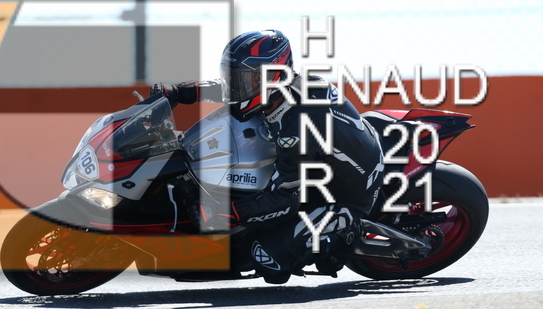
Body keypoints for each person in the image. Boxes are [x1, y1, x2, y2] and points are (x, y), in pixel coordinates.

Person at [151, 29, 384, 284]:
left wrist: (230, 212)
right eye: (235, 77)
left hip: (344, 193)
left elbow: (284, 198)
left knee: (268, 260)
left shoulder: (296, 126)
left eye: (246, 80)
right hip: (318, 168)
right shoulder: (282, 91)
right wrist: (178, 92)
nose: (236, 87)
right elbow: (227, 89)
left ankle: (347, 229)